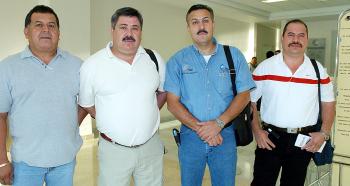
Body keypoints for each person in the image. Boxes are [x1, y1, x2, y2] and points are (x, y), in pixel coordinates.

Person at [164, 4, 255, 186]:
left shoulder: (234, 56)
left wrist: (218, 124)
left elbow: (244, 95)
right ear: (188, 27)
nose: (201, 26)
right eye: (195, 22)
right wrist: (204, 130)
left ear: (213, 24)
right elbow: (172, 103)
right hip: (190, 137)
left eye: (205, 20)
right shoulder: (177, 61)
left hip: (225, 135)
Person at [79, 7, 166, 186]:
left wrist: (147, 113)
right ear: (112, 31)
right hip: (113, 150)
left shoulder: (153, 58)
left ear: (141, 32)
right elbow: (87, 104)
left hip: (151, 147)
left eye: (135, 28)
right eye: (123, 27)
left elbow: (163, 91)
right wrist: (110, 117)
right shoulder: (92, 65)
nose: (129, 33)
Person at [0, 5, 87, 186]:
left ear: (59, 32)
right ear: (26, 31)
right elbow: (1, 116)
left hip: (65, 161)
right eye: (38, 25)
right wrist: (2, 161)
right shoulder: (7, 68)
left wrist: (71, 126)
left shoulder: (77, 66)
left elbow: (87, 102)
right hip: (25, 164)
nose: (46, 30)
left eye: (52, 25)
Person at [250, 19, 335, 186]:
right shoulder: (265, 68)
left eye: (301, 35)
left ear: (306, 40)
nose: (295, 39)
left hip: (303, 142)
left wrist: (324, 133)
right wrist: (257, 131)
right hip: (270, 138)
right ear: (282, 39)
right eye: (290, 35)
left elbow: (329, 104)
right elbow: (249, 102)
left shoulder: (318, 70)